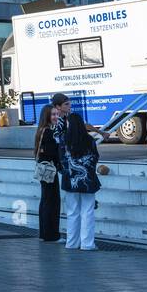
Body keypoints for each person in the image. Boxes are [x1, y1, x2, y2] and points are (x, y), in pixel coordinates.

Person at [51, 93, 105, 251]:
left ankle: (71, 243)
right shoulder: (90, 141)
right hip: (87, 181)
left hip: (70, 180)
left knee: (72, 212)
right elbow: (95, 158)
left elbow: (61, 160)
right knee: (88, 211)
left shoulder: (64, 141)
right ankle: (88, 244)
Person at [34, 103, 61, 242]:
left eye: (57, 114)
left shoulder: (41, 130)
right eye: (53, 114)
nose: (56, 117)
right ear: (47, 116)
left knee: (45, 200)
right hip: (50, 169)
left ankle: (44, 233)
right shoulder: (49, 132)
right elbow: (52, 153)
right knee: (52, 201)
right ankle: (52, 235)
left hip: (43, 169)